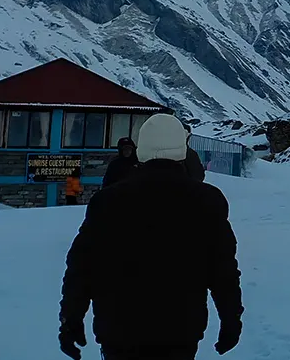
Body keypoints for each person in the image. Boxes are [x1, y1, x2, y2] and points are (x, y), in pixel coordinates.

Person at [59, 113, 242, 360]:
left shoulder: (108, 200)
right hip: (181, 329)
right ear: (182, 149)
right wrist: (230, 319)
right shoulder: (207, 200)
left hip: (118, 329)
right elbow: (223, 269)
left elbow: (82, 265)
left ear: (141, 149)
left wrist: (71, 318)